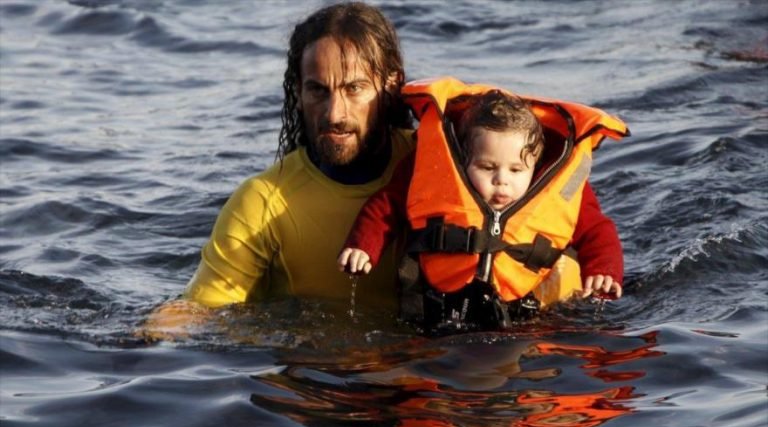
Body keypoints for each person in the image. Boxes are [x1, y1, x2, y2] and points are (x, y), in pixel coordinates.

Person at [142, 2, 414, 337]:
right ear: (298, 92)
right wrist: (149, 337)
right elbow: (204, 310)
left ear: (390, 85)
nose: (334, 114)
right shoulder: (263, 201)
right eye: (318, 90)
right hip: (309, 376)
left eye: (353, 88)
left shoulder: (442, 166)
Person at [337, 78, 627, 332]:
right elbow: (387, 205)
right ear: (465, 159)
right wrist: (364, 246)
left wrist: (603, 271)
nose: (502, 181)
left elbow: (597, 231)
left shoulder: (555, 188)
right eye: (488, 167)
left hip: (529, 316)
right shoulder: (432, 172)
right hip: (438, 311)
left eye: (516, 170)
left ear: (535, 166)